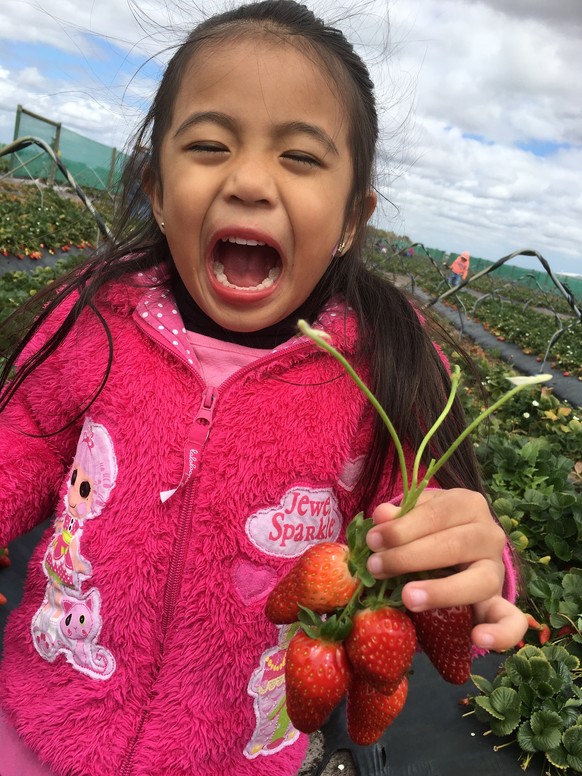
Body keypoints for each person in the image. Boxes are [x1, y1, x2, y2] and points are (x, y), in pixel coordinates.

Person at [0, 2, 526, 774]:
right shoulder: (96, 317)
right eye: (209, 145)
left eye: (302, 158)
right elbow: (16, 450)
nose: (248, 180)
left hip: (240, 757)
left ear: (352, 218)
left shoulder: (383, 367)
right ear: (155, 185)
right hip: (35, 730)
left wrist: (465, 573)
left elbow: (432, 533)